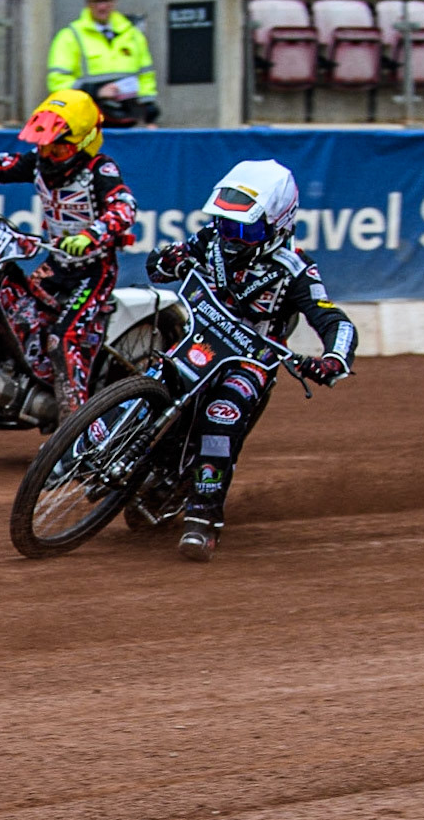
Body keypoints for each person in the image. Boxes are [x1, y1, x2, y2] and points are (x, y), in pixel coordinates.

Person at [145, 159, 357, 563]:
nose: (231, 236)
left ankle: (202, 519)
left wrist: (331, 359)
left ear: (278, 224)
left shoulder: (296, 270)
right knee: (143, 368)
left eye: (244, 229)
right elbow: (165, 262)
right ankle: (93, 440)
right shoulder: (210, 237)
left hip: (249, 362)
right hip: (197, 339)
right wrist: (167, 260)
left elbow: (335, 321)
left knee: (220, 416)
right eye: (226, 224)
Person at [0, 89, 137, 423]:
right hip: (55, 263)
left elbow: (123, 206)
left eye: (59, 147)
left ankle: (76, 426)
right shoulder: (40, 164)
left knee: (63, 337)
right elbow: (2, 164)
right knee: (17, 316)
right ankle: (18, 394)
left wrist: (91, 235)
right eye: (45, 145)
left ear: (85, 142)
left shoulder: (99, 169)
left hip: (93, 270)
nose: (48, 153)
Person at [47, 0, 158, 129]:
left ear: (115, 1)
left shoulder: (132, 34)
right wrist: (95, 90)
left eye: (106, 0)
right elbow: (57, 81)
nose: (102, 6)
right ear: (87, 3)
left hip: (129, 116)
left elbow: (145, 74)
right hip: (89, 117)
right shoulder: (70, 36)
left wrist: (148, 104)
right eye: (96, 1)